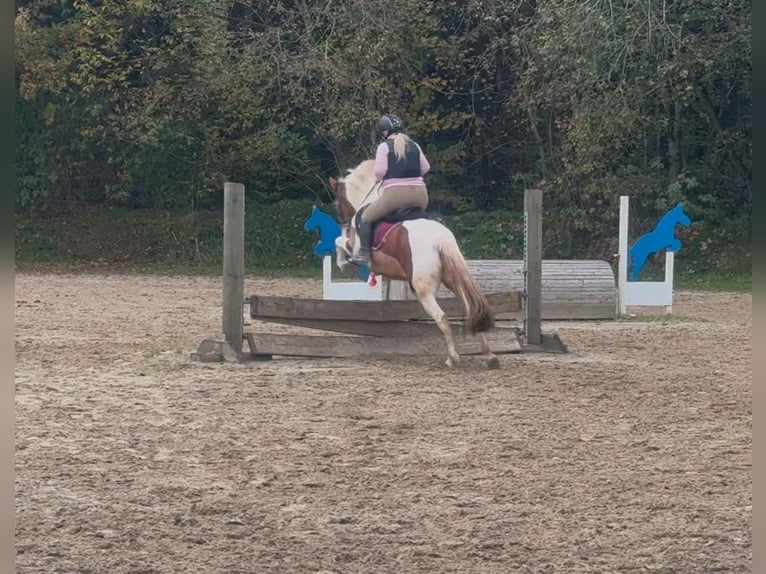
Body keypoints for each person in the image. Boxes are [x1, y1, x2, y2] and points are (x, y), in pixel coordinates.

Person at [350, 113, 431, 265]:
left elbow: (380, 172)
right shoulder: (414, 145)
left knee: (366, 217)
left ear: (385, 132)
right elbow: (425, 168)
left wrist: (379, 179)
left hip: (396, 195)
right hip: (421, 195)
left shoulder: (384, 146)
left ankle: (364, 254)